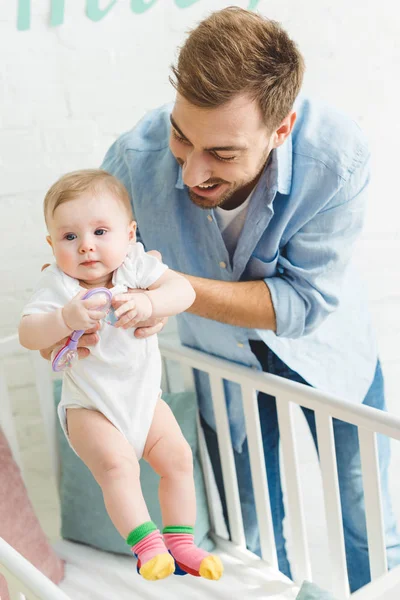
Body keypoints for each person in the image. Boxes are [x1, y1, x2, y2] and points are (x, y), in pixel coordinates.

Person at [39, 7, 399, 593]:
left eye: (224, 154)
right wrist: (70, 300)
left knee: (367, 520)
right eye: (183, 136)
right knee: (251, 528)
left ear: (280, 129)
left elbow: (305, 302)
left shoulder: (338, 157)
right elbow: (92, 250)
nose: (192, 173)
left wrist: (173, 292)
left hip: (330, 358)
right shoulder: (136, 157)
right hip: (222, 368)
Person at [18, 169, 224, 582]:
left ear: (129, 234)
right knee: (118, 468)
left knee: (179, 460)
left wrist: (151, 304)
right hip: (89, 409)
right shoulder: (59, 285)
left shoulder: (136, 268)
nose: (87, 246)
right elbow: (27, 334)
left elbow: (183, 291)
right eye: (69, 237)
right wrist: (63, 318)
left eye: (100, 231)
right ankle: (148, 548)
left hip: (146, 402)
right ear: (51, 244)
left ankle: (181, 543)